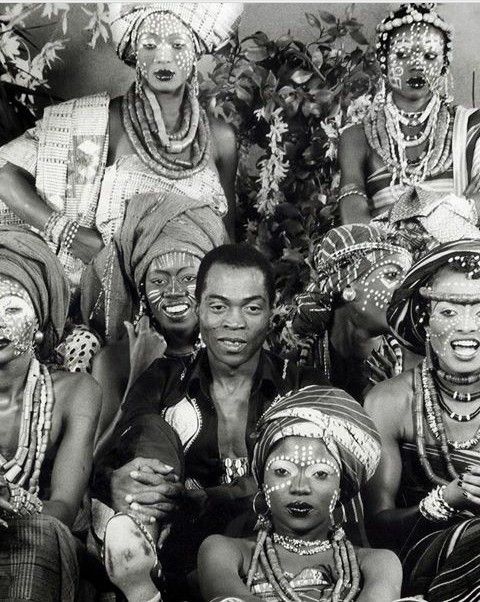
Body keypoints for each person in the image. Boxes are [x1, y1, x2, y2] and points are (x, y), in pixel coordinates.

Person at [92, 243, 330, 602]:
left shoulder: (303, 386)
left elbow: (323, 483)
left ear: (270, 311)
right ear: (199, 308)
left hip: (276, 553)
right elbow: (111, 461)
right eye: (218, 306)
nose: (234, 322)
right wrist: (120, 481)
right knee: (150, 429)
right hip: (178, 549)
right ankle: (142, 557)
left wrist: (205, 498)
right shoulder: (164, 378)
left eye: (251, 307)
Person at [0, 2, 241, 289]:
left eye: (177, 44)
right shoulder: (102, 121)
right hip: (106, 297)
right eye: (149, 44)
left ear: (195, 53)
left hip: (187, 305)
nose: (163, 56)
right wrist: (71, 235)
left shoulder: (220, 138)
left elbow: (227, 239)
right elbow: (4, 173)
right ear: (135, 53)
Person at [198, 384, 402, 601]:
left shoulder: (378, 563)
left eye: (320, 474)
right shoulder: (224, 552)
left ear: (341, 487)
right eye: (282, 471)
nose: (299, 487)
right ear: (262, 480)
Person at [365, 239, 480, 600]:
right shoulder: (389, 402)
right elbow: (377, 529)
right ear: (425, 321)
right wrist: (447, 499)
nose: (466, 327)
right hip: (421, 558)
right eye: (449, 312)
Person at [0, 226, 101, 601]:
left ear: (40, 322)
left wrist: (12, 502)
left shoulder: (75, 392)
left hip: (39, 537)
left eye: (11, 309)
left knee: (41, 534)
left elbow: (64, 507)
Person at [81, 191, 227, 442]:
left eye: (188, 279)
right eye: (159, 280)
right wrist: (139, 373)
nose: (173, 292)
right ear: (142, 290)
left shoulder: (231, 350)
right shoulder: (113, 361)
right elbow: (93, 463)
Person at [338, 3, 480, 225]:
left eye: (430, 56)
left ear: (444, 65)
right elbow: (355, 224)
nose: (417, 66)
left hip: (456, 255)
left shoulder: (471, 126)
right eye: (402, 55)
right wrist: (460, 207)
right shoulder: (357, 138)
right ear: (383, 64)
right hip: (384, 256)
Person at [292, 223, 414, 401]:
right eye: (392, 276)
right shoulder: (294, 368)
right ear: (346, 284)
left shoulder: (416, 373)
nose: (404, 289)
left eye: (407, 278)